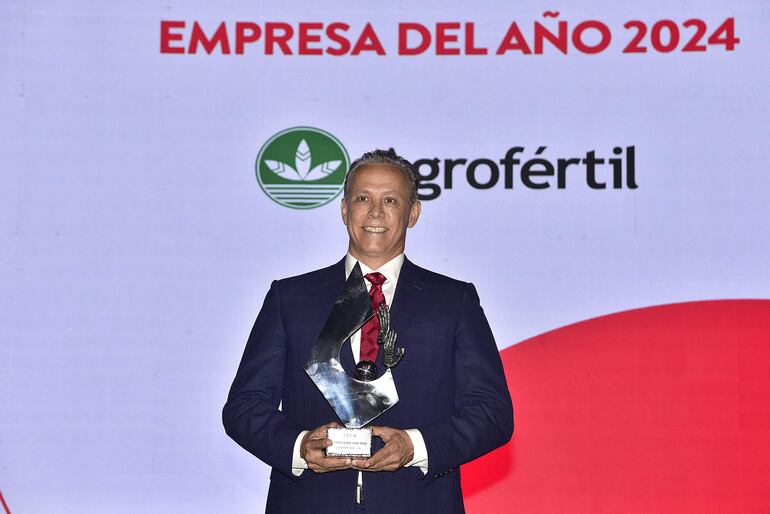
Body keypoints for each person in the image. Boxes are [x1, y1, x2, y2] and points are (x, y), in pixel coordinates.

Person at [223, 149, 513, 514]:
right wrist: (299, 446)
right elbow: (244, 407)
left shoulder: (454, 301)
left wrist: (415, 446)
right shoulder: (290, 298)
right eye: (363, 199)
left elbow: (491, 413)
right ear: (344, 210)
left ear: (413, 213)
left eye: (390, 200)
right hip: (308, 502)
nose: (375, 212)